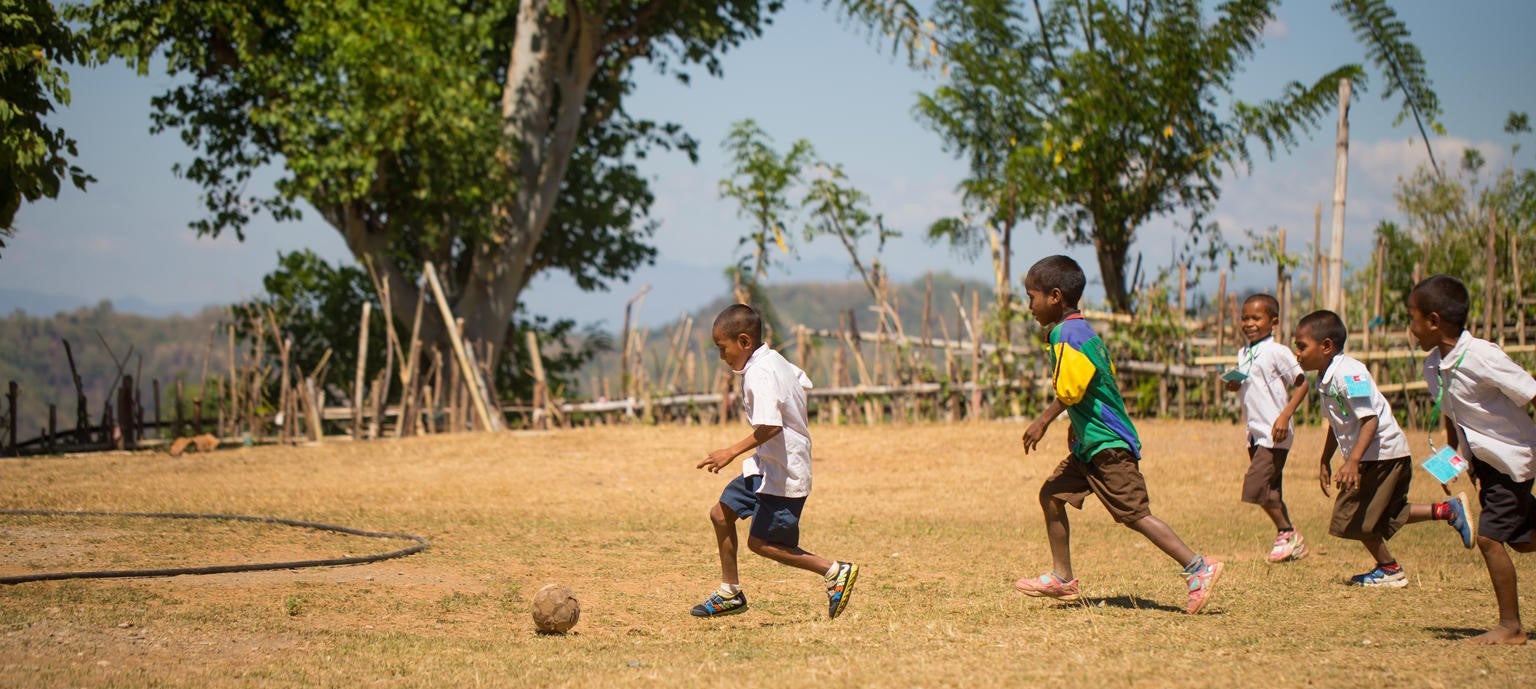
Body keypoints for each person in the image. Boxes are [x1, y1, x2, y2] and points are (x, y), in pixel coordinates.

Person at [1015, 255, 1223, 614]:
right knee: (1051, 494)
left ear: (1054, 296)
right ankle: (1063, 578)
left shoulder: (1068, 333)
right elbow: (1096, 383)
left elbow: (1071, 391)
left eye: (1031, 297)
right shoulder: (1081, 331)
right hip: (1090, 445)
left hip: (1108, 445)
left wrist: (1043, 421)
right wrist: (1075, 429)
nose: (1028, 306)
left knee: (1135, 514)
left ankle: (1198, 567)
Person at [690, 303, 860, 619]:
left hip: (784, 473)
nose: (722, 357)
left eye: (722, 348)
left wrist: (729, 452)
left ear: (744, 342)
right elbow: (802, 380)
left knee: (762, 543)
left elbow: (771, 426)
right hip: (765, 467)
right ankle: (730, 592)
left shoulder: (759, 373)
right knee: (720, 515)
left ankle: (833, 570)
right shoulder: (772, 360)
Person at [1292, 309, 1474, 588]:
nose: (1297, 353)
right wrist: (1324, 459)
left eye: (1302, 346)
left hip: (1381, 454)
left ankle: (1390, 569)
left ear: (1327, 346)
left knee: (1353, 516)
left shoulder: (1349, 373)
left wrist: (1352, 462)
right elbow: (1336, 423)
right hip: (1375, 455)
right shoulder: (1324, 377)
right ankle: (1447, 511)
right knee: (1387, 513)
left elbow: (1370, 420)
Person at [1408, 275, 1536, 645]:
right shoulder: (1433, 367)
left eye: (1413, 318)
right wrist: (1452, 459)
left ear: (1433, 321)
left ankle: (1511, 627)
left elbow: (1529, 392)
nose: (1410, 328)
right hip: (1484, 462)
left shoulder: (1482, 356)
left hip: (1513, 457)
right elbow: (1451, 413)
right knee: (1524, 539)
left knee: (1489, 540)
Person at [1224, 294, 1311, 563]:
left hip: (1276, 431)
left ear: (1273, 321)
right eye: (1245, 318)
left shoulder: (1277, 351)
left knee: (1255, 486)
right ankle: (1289, 542)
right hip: (1255, 432)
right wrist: (1235, 383)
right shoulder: (1245, 352)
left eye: (1256, 318)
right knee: (1271, 490)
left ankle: (1288, 532)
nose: (1249, 323)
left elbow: (1303, 382)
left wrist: (1285, 416)